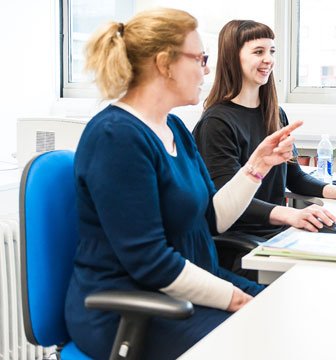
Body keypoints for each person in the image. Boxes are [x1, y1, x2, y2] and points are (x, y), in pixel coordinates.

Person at [65, 9, 302, 359]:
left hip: (189, 288)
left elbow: (211, 220)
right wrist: (234, 298)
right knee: (265, 342)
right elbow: (151, 262)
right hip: (132, 308)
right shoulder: (116, 137)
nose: (206, 69)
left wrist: (257, 166)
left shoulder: (174, 128)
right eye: (200, 58)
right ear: (165, 64)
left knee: (293, 316)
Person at [193, 20, 336, 241]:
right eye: (258, 51)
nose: (268, 59)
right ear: (232, 57)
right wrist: (292, 215)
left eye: (272, 51)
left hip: (279, 233)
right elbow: (226, 199)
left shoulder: (274, 113)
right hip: (242, 240)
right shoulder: (217, 122)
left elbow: (294, 176)